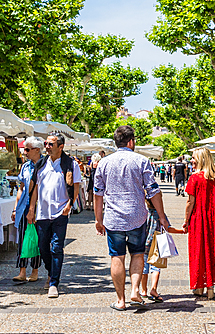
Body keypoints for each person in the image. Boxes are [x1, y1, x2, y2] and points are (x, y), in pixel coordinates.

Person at [94, 125, 172, 311]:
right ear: (130, 141)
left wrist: (99, 219)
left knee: (117, 257)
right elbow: (153, 191)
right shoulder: (141, 161)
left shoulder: (104, 163)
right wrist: (161, 216)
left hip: (113, 219)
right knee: (137, 254)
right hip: (137, 216)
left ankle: (121, 300)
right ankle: (135, 290)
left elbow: (98, 194)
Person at [26, 133, 82, 298]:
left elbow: (76, 187)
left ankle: (53, 283)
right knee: (43, 247)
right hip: (42, 213)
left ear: (60, 146)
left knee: (57, 247)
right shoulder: (41, 164)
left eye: (51, 144)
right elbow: (34, 187)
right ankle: (51, 272)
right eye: (46, 143)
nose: (47, 146)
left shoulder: (70, 164)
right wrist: (31, 208)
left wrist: (70, 204)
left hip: (60, 212)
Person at [184, 148, 215, 299]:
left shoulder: (194, 178)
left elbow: (190, 202)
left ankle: (200, 286)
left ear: (201, 159)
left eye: (193, 158)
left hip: (199, 219)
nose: (191, 161)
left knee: (199, 251)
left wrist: (186, 220)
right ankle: (210, 287)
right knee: (213, 250)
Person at [13, 137, 44, 282]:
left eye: (27, 149)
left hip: (40, 207)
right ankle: (22, 271)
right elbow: (21, 188)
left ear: (37, 150)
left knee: (36, 238)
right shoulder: (25, 166)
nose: (24, 152)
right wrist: (15, 209)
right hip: (23, 207)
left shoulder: (45, 164)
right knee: (22, 239)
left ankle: (35, 270)